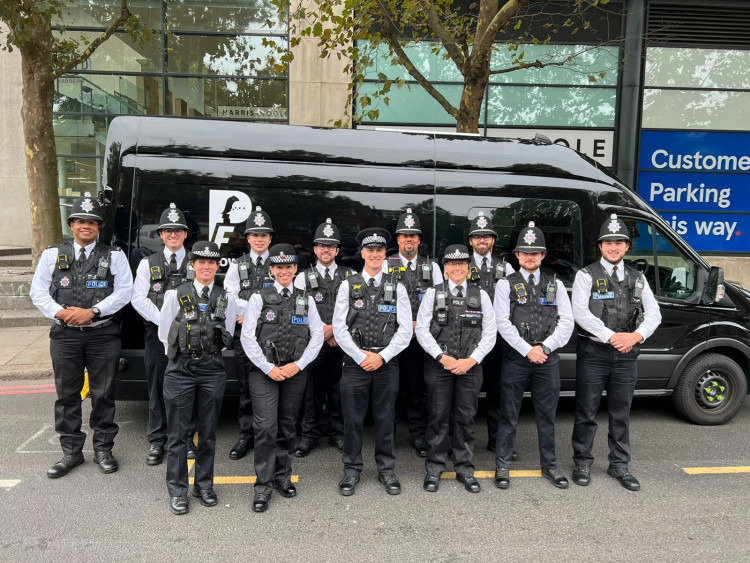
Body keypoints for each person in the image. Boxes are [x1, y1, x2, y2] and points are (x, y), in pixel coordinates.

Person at [30, 192, 133, 478]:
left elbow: (125, 291)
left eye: (92, 222)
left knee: (103, 395)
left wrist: (94, 312)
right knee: (67, 395)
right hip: (65, 335)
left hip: (103, 334)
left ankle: (103, 449)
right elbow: (37, 292)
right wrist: (62, 313)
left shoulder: (114, 255)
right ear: (71, 224)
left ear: (99, 227)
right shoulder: (53, 254)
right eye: (81, 221)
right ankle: (71, 452)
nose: (86, 226)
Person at [571, 214, 661, 491]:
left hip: (626, 355)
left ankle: (619, 464)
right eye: (608, 242)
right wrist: (612, 337)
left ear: (627, 246)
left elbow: (654, 314)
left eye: (619, 242)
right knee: (586, 410)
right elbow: (580, 313)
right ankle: (582, 461)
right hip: (594, 352)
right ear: (600, 246)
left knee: (621, 412)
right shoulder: (585, 275)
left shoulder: (638, 278)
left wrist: (635, 336)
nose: (613, 247)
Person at [240, 244, 324, 512]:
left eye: (289, 266)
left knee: (288, 425)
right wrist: (267, 368)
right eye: (279, 267)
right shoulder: (259, 298)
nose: (284, 271)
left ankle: (282, 476)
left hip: (294, 372)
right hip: (265, 372)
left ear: (295, 269)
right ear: (272, 269)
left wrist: (299, 365)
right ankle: (263, 486)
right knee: (265, 427)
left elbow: (318, 335)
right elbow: (247, 337)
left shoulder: (305, 299)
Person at [493, 222, 574, 490]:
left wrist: (546, 348)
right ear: (517, 255)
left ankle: (550, 466)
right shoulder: (505, 284)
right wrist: (528, 350)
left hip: (547, 358)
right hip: (517, 357)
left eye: (535, 252)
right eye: (525, 252)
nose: (530, 257)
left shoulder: (555, 284)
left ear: (543, 255)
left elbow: (566, 322)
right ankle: (502, 466)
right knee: (508, 414)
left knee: (546, 416)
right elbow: (501, 322)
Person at [333, 228, 412, 496]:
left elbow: (405, 331)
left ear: (384, 255)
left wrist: (382, 356)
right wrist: (361, 356)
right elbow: (339, 327)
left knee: (385, 418)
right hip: (356, 363)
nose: (375, 254)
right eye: (370, 250)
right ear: (363, 253)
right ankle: (351, 471)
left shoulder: (397, 286)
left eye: (379, 251)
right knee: (352, 420)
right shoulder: (348, 284)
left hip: (386, 363)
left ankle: (387, 470)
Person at [159, 241, 236, 515]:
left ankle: (203, 485)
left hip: (212, 369)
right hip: (181, 368)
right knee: (178, 435)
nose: (206, 267)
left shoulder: (225, 297)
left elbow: (227, 335)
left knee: (208, 433)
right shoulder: (175, 294)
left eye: (211, 262)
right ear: (193, 265)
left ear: (217, 266)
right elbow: (164, 332)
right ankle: (178, 491)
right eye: (201, 262)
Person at [415, 244, 496, 493]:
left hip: (470, 367)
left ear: (468, 268)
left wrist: (471, 361)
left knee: (466, 419)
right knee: (437, 418)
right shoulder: (432, 294)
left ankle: (464, 469)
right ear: (445, 268)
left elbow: (490, 333)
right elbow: (422, 330)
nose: (457, 268)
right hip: (440, 366)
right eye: (452, 264)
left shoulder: (480, 294)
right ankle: (434, 469)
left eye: (462, 264)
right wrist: (442, 357)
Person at [131, 203, 198, 465]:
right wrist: (165, 323)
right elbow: (139, 298)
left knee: (187, 389)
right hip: (157, 336)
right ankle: (157, 441)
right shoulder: (149, 263)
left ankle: (185, 437)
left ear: (185, 234)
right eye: (168, 230)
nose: (173, 234)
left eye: (178, 230)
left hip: (191, 336)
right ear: (161, 234)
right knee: (158, 389)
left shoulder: (197, 261)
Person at [294, 219, 356, 457]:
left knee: (340, 391)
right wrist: (325, 332)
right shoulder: (302, 277)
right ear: (315, 249)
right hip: (314, 345)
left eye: (331, 246)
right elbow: (300, 311)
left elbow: (355, 309)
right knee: (312, 392)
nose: (326, 249)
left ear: (338, 250)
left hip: (342, 344)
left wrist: (336, 332)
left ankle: (338, 433)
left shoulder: (351, 276)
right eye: (322, 245)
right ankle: (309, 435)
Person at [385, 208, 443, 458]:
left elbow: (441, 301)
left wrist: (419, 326)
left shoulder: (433, 267)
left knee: (418, 389)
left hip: (421, 339)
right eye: (404, 236)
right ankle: (387, 437)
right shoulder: (387, 264)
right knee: (390, 389)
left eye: (413, 236)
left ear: (419, 240)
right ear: (397, 239)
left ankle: (418, 435)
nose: (409, 240)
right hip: (392, 337)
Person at [224, 206, 275, 460]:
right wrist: (254, 313)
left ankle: (270, 434)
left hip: (274, 336)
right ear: (248, 238)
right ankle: (247, 434)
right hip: (245, 334)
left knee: (273, 382)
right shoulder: (237, 266)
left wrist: (255, 313)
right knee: (245, 385)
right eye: (254, 235)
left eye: (264, 235)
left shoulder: (279, 265)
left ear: (270, 239)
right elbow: (231, 297)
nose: (259, 239)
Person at [465, 211, 515, 455]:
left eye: (486, 236)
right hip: (468, 338)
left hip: (498, 340)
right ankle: (463, 442)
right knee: (466, 392)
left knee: (498, 391)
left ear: (493, 240)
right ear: (471, 241)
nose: (482, 240)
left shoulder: (506, 267)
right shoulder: (461, 266)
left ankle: (497, 440)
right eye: (477, 237)